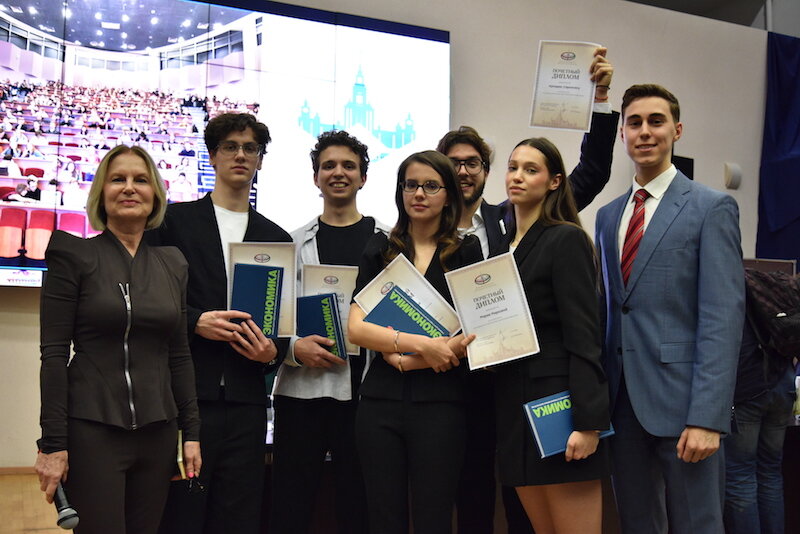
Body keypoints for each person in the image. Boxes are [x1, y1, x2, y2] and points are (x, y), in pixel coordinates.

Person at [435, 46, 618, 534]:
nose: (463, 171)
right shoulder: (436, 230)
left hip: (549, 399)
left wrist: (599, 101)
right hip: (488, 393)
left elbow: (583, 334)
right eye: (453, 164)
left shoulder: (532, 227)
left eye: (474, 162)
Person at [594, 84, 745, 533]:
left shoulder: (711, 207)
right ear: (622, 134)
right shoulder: (607, 216)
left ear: (677, 130)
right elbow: (611, 311)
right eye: (634, 123)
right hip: (621, 407)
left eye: (656, 121)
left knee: (699, 524)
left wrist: (708, 418)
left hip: (685, 407)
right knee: (637, 524)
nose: (645, 131)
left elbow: (722, 318)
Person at [34, 144, 202, 534]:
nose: (129, 187)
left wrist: (191, 433)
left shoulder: (173, 264)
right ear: (102, 192)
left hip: (159, 432)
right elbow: (54, 355)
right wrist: (53, 444)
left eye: (140, 180)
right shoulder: (72, 255)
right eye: (117, 179)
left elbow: (179, 355)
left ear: (155, 194)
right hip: (93, 431)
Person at [150, 113, 291, 534]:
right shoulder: (172, 223)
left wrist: (272, 353)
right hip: (188, 398)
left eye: (250, 148)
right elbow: (147, 301)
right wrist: (195, 321)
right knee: (183, 515)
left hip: (248, 403)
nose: (241, 155)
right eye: (230, 146)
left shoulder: (276, 238)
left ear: (260, 159)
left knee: (239, 517)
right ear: (212, 156)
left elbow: (282, 327)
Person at [348, 150, 483, 534]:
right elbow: (356, 329)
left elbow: (469, 338)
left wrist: (402, 357)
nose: (419, 194)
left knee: (433, 518)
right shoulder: (380, 248)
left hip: (442, 405)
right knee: (383, 518)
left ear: (448, 194)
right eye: (410, 185)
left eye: (430, 186)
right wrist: (421, 347)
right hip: (380, 404)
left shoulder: (467, 252)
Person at [270, 130, 388, 534]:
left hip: (367, 396)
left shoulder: (390, 241)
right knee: (291, 506)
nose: (339, 172)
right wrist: (292, 348)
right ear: (316, 177)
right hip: (302, 394)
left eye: (349, 166)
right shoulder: (290, 243)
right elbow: (272, 320)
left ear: (363, 177)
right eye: (329, 166)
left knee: (360, 506)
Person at [494, 137, 610, 534]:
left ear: (554, 181)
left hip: (560, 412)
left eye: (531, 170)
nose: (518, 176)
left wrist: (589, 423)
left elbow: (585, 336)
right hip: (515, 409)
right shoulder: (503, 246)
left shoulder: (565, 238)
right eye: (513, 167)